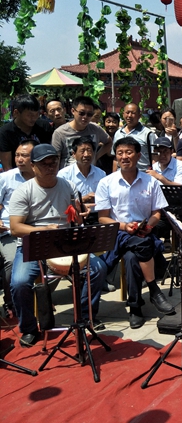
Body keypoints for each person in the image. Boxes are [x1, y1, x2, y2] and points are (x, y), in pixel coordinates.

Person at [10, 144, 106, 346]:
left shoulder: (68, 186)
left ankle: (83, 318)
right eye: (44, 164)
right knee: (19, 282)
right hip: (34, 242)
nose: (50, 167)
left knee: (98, 268)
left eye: (53, 163)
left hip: (65, 240)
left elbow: (76, 219)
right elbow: (16, 228)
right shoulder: (23, 191)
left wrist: (80, 216)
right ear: (33, 166)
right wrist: (43, 230)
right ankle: (29, 327)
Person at [96, 137, 175, 329]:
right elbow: (103, 218)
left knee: (132, 258)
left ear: (138, 156)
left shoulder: (151, 181)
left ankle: (135, 308)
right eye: (120, 153)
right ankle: (154, 290)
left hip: (143, 232)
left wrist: (149, 226)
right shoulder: (106, 182)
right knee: (142, 244)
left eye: (129, 152)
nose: (124, 157)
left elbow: (157, 213)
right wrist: (125, 227)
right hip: (118, 233)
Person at [0, 140, 37, 319]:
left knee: (53, 264)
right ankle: (12, 302)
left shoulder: (44, 178)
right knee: (13, 262)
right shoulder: (6, 178)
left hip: (38, 232)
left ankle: (36, 297)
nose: (19, 159)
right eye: (17, 155)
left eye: (24, 156)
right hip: (9, 232)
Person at [51, 95, 112, 169]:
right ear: (73, 111)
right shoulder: (60, 133)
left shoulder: (95, 129)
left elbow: (109, 142)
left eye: (89, 114)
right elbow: (55, 159)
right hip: (68, 174)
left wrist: (96, 156)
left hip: (90, 173)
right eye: (82, 113)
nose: (85, 117)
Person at [0, 94, 53, 170]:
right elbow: (7, 166)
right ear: (16, 112)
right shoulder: (5, 132)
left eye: (36, 114)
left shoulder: (44, 126)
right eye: (29, 115)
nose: (34, 118)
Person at [57, 136, 106, 209]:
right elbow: (60, 200)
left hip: (97, 213)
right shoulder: (64, 175)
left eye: (89, 150)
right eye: (82, 151)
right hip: (74, 213)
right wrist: (83, 199)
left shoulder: (101, 174)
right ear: (74, 154)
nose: (86, 155)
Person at [112, 103, 156, 172]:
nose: (129, 115)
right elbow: (115, 158)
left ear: (139, 116)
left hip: (143, 173)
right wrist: (114, 175)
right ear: (123, 114)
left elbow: (155, 157)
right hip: (121, 174)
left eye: (133, 113)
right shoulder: (118, 133)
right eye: (127, 113)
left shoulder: (148, 134)